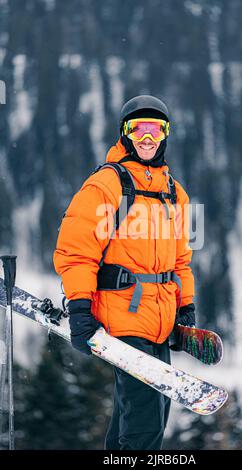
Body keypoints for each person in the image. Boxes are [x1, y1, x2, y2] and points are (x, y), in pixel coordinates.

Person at [53, 95, 195, 450]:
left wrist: (186, 308)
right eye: (138, 129)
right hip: (121, 320)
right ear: (125, 134)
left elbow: (181, 261)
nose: (147, 138)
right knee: (145, 424)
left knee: (143, 417)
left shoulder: (174, 193)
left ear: (165, 135)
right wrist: (81, 311)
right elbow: (76, 253)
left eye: (155, 129)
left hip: (160, 322)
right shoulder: (107, 184)